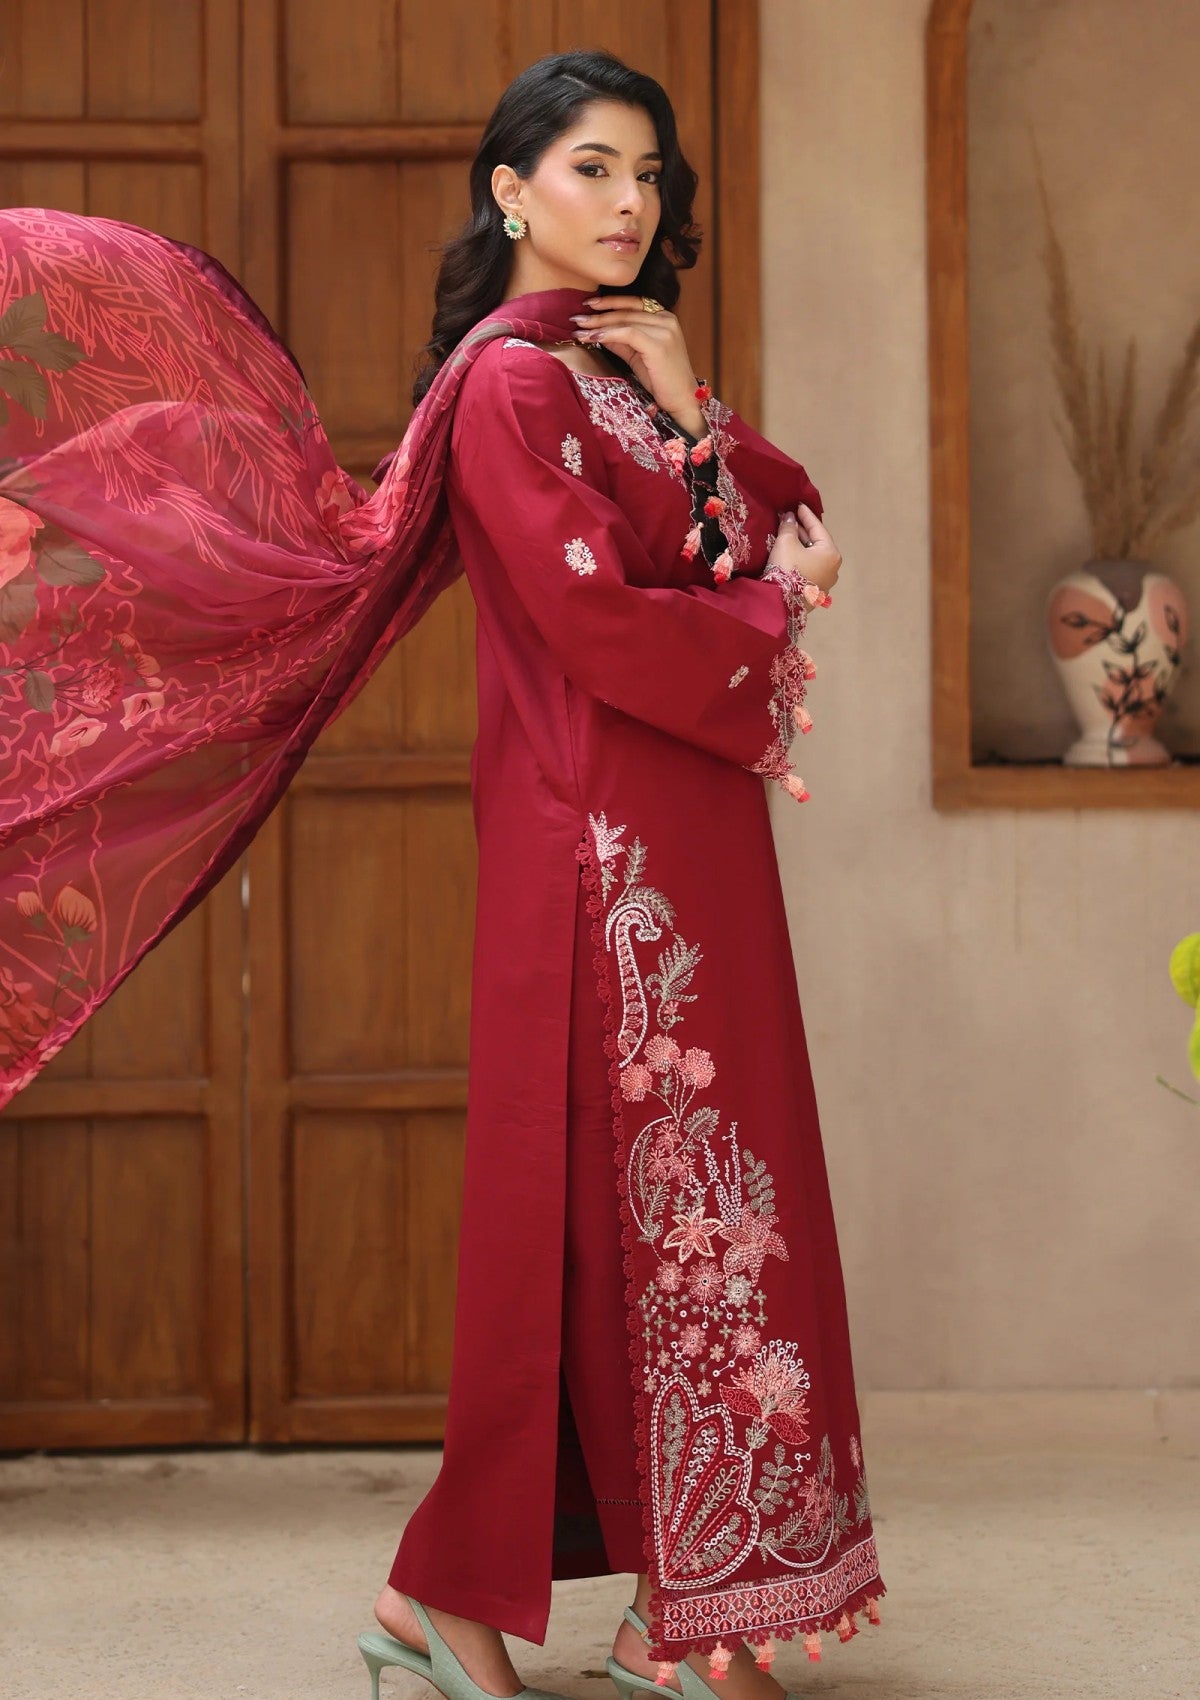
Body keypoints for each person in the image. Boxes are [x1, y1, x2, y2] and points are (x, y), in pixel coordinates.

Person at [0, 46, 884, 1700]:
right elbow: (605, 616)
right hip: (600, 840)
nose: (628, 203)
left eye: (648, 175)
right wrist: (773, 599)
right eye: (592, 169)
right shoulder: (508, 389)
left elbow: (770, 510)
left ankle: (647, 1604)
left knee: (693, 1205)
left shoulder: (613, 367)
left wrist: (693, 404)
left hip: (686, 825)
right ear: (510, 190)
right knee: (615, 1218)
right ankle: (487, 1596)